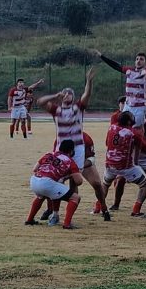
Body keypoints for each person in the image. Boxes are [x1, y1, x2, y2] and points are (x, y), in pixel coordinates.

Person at [37, 67, 111, 222]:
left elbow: (87, 95)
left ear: (73, 97)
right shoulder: (56, 110)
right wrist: (55, 95)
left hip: (77, 149)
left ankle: (103, 208)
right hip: (61, 149)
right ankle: (54, 213)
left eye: (70, 93)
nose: (67, 94)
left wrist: (89, 81)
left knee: (90, 182)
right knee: (56, 181)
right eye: (65, 93)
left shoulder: (78, 108)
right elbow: (40, 102)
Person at [101, 111, 146, 217]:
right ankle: (136, 210)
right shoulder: (134, 133)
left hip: (109, 165)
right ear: (129, 121)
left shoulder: (111, 128)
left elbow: (107, 143)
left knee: (105, 185)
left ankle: (98, 207)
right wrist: (135, 164)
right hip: (125, 167)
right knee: (145, 185)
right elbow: (139, 151)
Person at [25, 140, 83, 230]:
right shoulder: (70, 161)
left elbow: (35, 169)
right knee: (75, 198)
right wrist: (69, 175)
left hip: (34, 180)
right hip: (47, 183)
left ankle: (29, 220)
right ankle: (67, 224)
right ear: (71, 151)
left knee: (41, 196)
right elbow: (79, 181)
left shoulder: (49, 154)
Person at [95, 49, 146, 127]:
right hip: (128, 106)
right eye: (137, 59)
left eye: (141, 59)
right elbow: (116, 66)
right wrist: (102, 56)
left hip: (140, 107)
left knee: (137, 129)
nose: (138, 61)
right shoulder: (129, 70)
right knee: (123, 128)